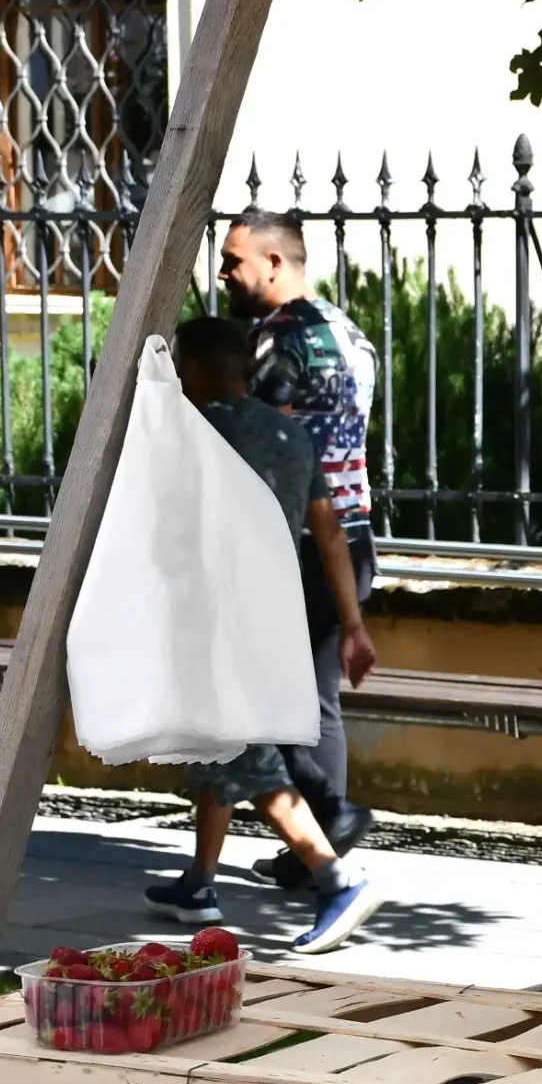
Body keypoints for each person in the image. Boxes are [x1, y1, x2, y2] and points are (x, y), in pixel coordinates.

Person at [143, 316, 386, 955]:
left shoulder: (197, 432)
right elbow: (330, 533)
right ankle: (198, 883)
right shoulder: (291, 435)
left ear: (191, 369)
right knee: (222, 748)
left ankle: (336, 877)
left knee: (249, 758)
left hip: (219, 617)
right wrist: (354, 623)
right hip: (274, 614)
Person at [218, 210, 382, 889]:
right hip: (353, 533)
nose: (225, 274)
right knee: (315, 700)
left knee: (263, 697)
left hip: (301, 537)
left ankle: (330, 816)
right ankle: (316, 845)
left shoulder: (276, 340)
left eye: (234, 261)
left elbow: (264, 440)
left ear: (275, 264)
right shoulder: (350, 333)